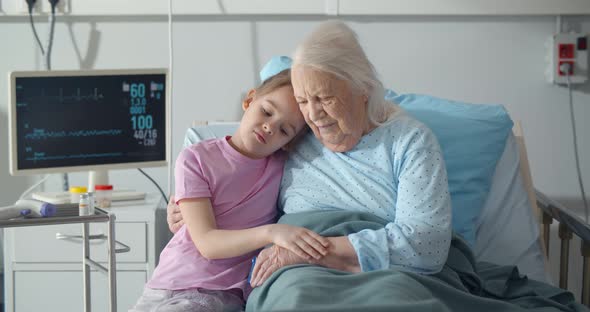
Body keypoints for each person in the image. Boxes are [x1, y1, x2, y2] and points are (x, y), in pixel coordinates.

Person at [168, 20, 452, 288]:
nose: (313, 115)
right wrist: (189, 206)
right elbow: (233, 162)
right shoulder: (290, 137)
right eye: (304, 101)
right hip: (297, 280)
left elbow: (427, 244)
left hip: (381, 276)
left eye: (325, 98)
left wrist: (311, 252)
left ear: (363, 89)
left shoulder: (409, 141)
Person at [130, 60, 330, 312]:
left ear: (289, 142)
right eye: (267, 112)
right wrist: (272, 233)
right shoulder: (195, 158)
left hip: (218, 293)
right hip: (167, 283)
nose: (269, 127)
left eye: (284, 130)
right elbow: (207, 244)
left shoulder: (284, 166)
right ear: (249, 100)